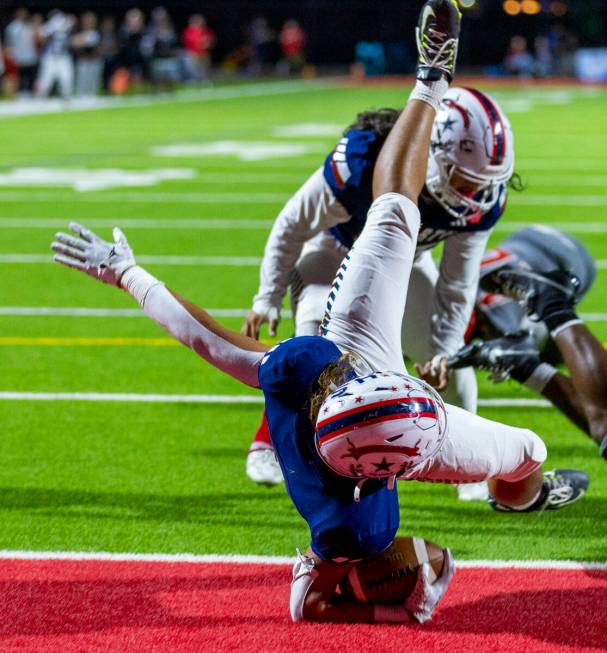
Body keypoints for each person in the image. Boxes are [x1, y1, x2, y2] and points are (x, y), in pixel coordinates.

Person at [51, 0, 588, 623]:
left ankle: (431, 74)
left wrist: (125, 273)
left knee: (391, 213)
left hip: (361, 350)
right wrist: (398, 596)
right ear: (398, 469)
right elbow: (312, 605)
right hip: (411, 414)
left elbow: (203, 338)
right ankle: (518, 499)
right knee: (527, 453)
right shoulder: (374, 502)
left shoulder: (304, 372)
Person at [243, 86, 517, 485]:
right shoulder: (364, 162)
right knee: (315, 348)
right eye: (466, 179)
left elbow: (458, 282)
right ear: (433, 153)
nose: (476, 195)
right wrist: (267, 297)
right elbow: (292, 224)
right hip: (332, 253)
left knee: (450, 364)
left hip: (401, 264)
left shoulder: (481, 200)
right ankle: (275, 444)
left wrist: (442, 348)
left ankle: (470, 468)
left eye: (484, 182)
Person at [449, 225, 607, 459]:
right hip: (546, 250)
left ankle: (552, 306)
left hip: (556, 256)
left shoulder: (499, 315)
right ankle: (531, 354)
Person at [36, 10, 75, 99]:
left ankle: (67, 99)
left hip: (64, 57)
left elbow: (72, 20)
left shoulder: (66, 24)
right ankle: (40, 98)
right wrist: (52, 27)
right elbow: (40, 36)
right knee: (46, 80)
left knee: (66, 79)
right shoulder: (49, 27)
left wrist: (63, 25)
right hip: (50, 58)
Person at [4, 8, 39, 96]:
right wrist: (11, 57)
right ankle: (17, 95)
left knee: (31, 78)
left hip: (30, 57)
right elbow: (9, 44)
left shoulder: (28, 26)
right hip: (18, 58)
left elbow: (36, 39)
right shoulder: (12, 27)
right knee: (18, 78)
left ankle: (31, 94)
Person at [72, 12, 102, 97]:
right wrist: (83, 40)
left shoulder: (98, 31)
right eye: (87, 19)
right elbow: (74, 43)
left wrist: (82, 40)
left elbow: (100, 47)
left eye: (91, 20)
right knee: (82, 87)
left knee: (93, 86)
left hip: (95, 62)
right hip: (83, 62)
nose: (89, 22)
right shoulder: (79, 31)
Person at [182, 14, 215, 82]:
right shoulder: (189, 31)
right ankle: (194, 80)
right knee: (193, 70)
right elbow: (191, 43)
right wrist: (202, 43)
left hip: (204, 54)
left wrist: (207, 43)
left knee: (204, 70)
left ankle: (205, 80)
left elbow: (211, 41)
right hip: (193, 54)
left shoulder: (206, 31)